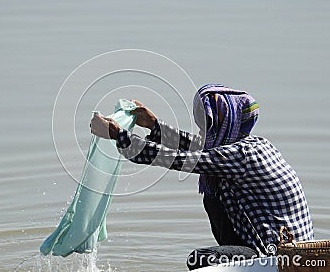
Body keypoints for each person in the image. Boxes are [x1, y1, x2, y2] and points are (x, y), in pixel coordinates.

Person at [90, 84, 314, 270]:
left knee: (200, 260)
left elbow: (171, 158)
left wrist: (118, 135)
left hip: (276, 259)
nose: (200, 132)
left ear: (224, 124)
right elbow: (199, 149)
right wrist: (154, 126)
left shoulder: (239, 156)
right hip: (287, 254)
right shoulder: (256, 147)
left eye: (206, 125)